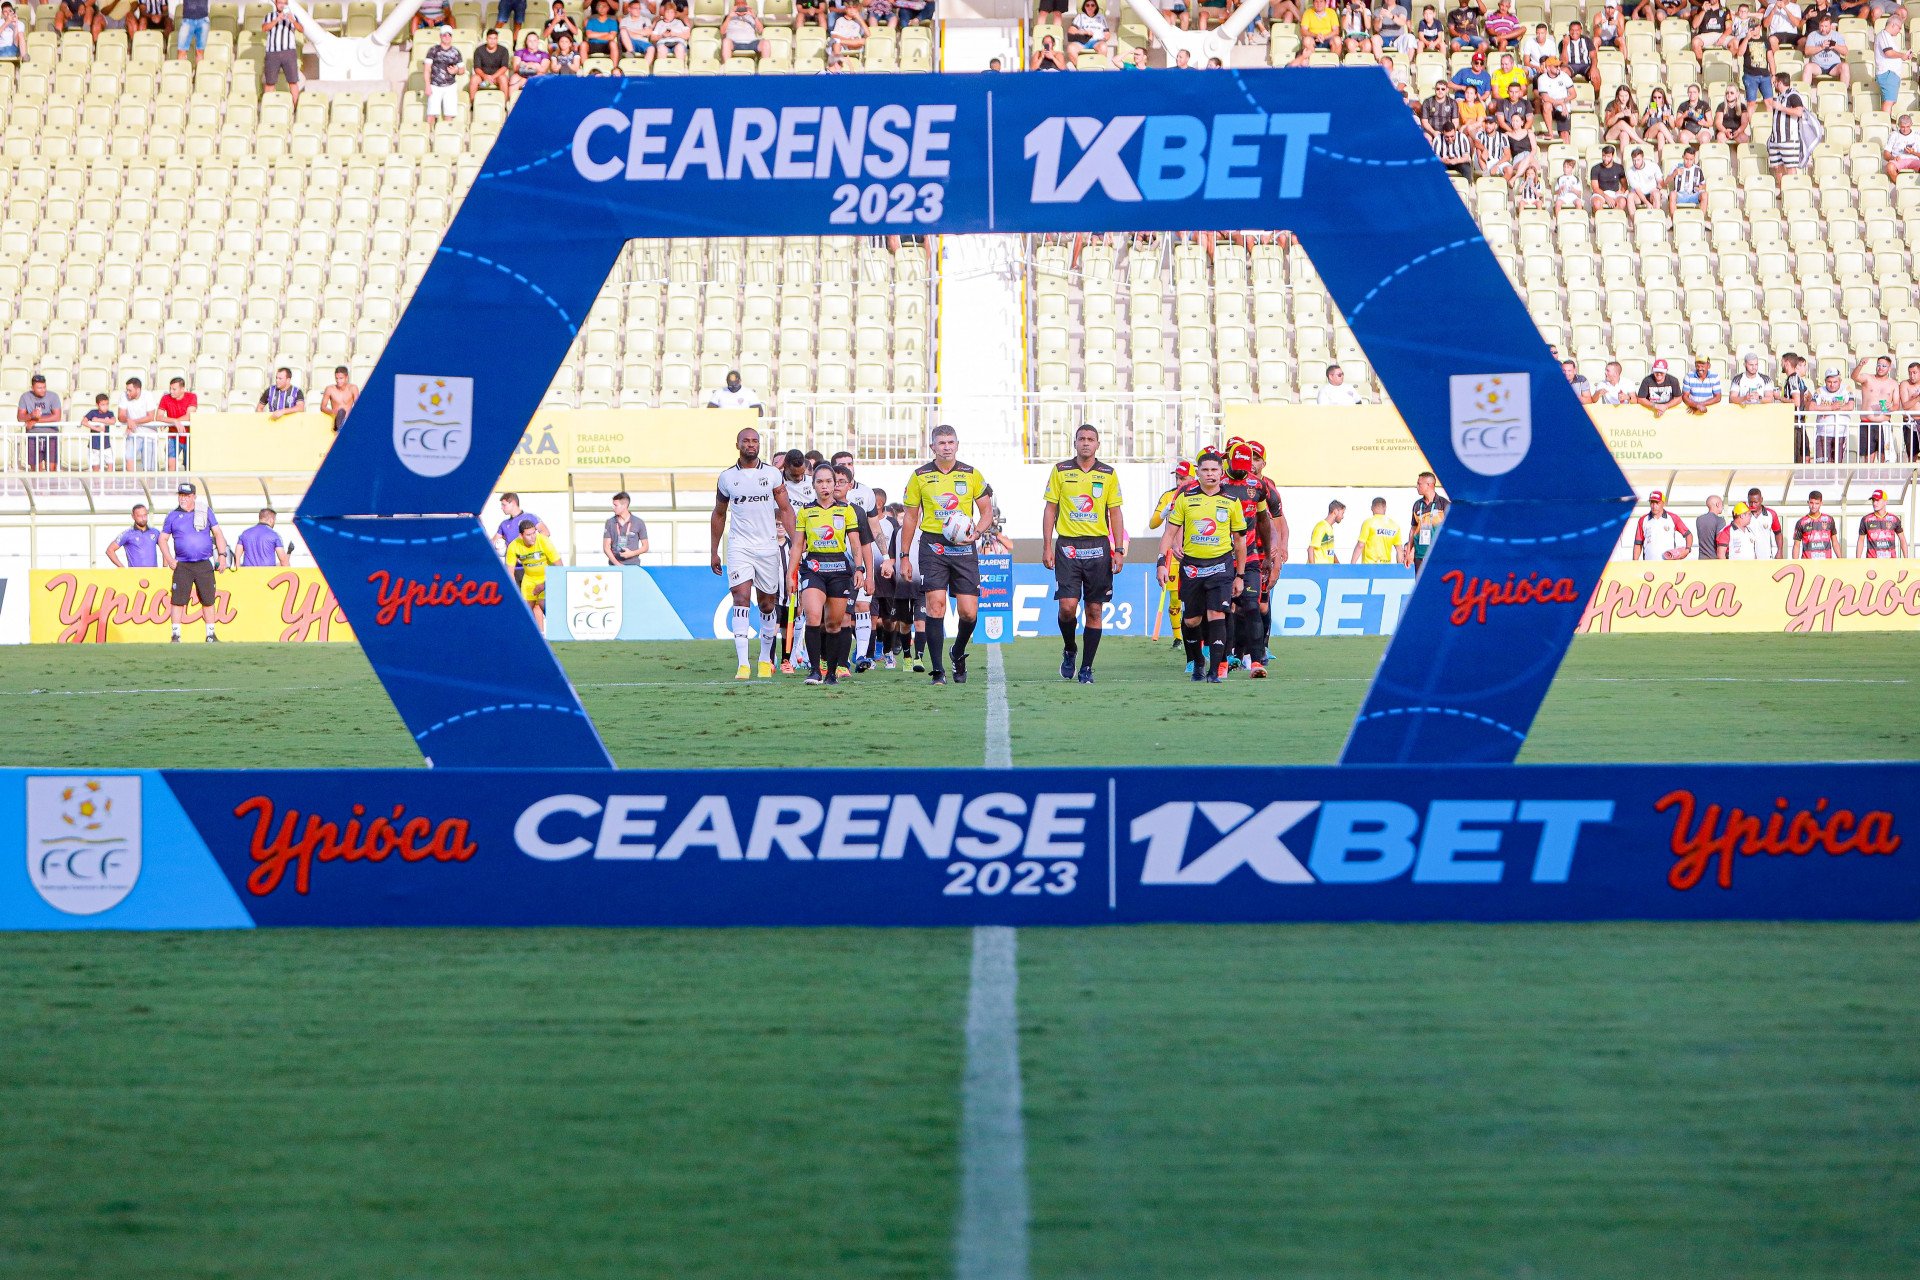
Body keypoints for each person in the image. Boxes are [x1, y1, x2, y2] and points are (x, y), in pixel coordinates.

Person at [901, 424, 994, 687]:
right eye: (941, 443)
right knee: (936, 606)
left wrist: (976, 531)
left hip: (964, 547)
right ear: (932, 447)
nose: (946, 447)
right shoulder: (919, 476)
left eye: (950, 442)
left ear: (957, 445)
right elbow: (910, 517)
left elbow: (986, 512)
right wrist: (904, 555)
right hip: (933, 546)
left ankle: (957, 652)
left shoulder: (971, 474)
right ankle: (938, 671)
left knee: (968, 613)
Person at [1040, 425, 1126, 684]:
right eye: (1081, 439)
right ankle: (1070, 649)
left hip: (1098, 548)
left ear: (1098, 444)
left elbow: (1115, 513)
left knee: (1094, 610)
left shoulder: (1108, 474)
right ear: (1074, 443)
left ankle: (1086, 668)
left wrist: (1119, 549)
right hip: (1067, 547)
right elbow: (1050, 509)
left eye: (1090, 439)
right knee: (1067, 608)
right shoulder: (1061, 471)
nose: (1086, 443)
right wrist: (1046, 545)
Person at [711, 426, 795, 680]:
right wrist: (714, 551)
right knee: (740, 598)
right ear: (738, 445)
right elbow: (719, 513)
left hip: (768, 547)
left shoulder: (771, 475)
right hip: (739, 546)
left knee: (768, 604)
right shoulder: (727, 478)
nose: (751, 444)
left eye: (755, 441)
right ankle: (742, 664)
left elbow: (786, 509)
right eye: (746, 441)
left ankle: (763, 659)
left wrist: (796, 543)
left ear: (759, 445)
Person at [1158, 450, 1248, 683]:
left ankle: (1214, 671)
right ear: (1197, 473)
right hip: (1192, 568)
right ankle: (1198, 660)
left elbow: (1239, 541)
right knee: (1192, 621)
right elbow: (1170, 532)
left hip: (1221, 567)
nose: (1210, 474)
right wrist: (1161, 562)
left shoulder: (1231, 502)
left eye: (1214, 470)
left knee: (1216, 613)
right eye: (1205, 470)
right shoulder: (1186, 499)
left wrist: (1240, 575)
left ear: (1221, 473)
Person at [793, 461, 866, 686]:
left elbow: (855, 543)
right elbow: (797, 546)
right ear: (813, 485)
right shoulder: (805, 511)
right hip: (813, 567)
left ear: (835, 484)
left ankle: (831, 672)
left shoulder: (846, 510)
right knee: (814, 617)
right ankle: (815, 671)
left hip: (838, 569)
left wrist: (860, 568)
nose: (824, 486)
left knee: (834, 624)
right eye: (819, 481)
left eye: (828, 481)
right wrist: (790, 574)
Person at [158, 482, 229, 642]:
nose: (183, 499)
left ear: (194, 497)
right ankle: (176, 635)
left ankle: (210, 634)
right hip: (183, 564)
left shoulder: (204, 511)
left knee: (208, 598)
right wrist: (169, 559)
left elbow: (218, 533)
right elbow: (162, 539)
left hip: (204, 562)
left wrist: (222, 555)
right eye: (181, 495)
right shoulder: (172, 515)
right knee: (178, 600)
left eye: (187, 496)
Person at [505, 518, 563, 629]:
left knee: (542, 603)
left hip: (547, 578)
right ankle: (534, 637)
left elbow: (560, 567)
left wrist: (543, 585)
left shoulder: (543, 541)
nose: (533, 537)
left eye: (534, 533)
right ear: (521, 536)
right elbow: (510, 573)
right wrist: (514, 591)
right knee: (525, 612)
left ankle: (558, 632)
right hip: (529, 580)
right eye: (528, 535)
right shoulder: (513, 546)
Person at [1854, 355, 1898, 463]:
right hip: (1867, 423)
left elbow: (1896, 405)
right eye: (1879, 365)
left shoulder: (1893, 384)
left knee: (1885, 456)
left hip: (1884, 424)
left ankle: (1883, 480)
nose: (1880, 368)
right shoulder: (1868, 378)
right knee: (1868, 457)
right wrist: (1860, 365)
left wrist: (1891, 407)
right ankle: (1869, 479)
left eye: (1884, 366)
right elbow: (1854, 377)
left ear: (1889, 368)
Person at [17, 373, 61, 472]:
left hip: (51, 435)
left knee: (52, 468)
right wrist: (31, 415)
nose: (43, 390)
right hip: (33, 436)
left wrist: (35, 420)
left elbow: (57, 417)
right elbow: (20, 417)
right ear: (32, 388)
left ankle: (51, 487)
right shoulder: (25, 397)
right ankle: (36, 488)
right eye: (39, 388)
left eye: (44, 387)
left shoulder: (53, 396)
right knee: (35, 469)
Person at [1406, 469, 1448, 572]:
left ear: (1429, 485)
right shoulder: (1417, 505)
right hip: (1419, 555)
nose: (1417, 487)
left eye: (1419, 484)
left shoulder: (1443, 504)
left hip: (1438, 556)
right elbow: (1413, 529)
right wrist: (1408, 553)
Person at [261, 0, 303, 103]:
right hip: (272, 53)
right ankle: (267, 108)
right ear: (275, 3)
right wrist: (277, 19)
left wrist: (292, 20)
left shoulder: (292, 16)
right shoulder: (269, 16)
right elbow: (264, 28)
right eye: (280, 2)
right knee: (270, 83)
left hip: (288, 52)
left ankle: (296, 109)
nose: (282, 5)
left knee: (293, 82)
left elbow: (301, 29)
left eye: (284, 3)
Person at [118, 376, 162, 472]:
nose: (127, 392)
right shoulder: (124, 395)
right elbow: (121, 415)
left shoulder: (148, 395)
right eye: (127, 390)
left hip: (149, 435)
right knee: (128, 458)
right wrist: (128, 420)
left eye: (130, 390)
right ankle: (131, 485)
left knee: (149, 467)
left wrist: (132, 421)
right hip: (133, 433)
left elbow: (150, 416)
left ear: (138, 389)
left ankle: (148, 486)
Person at [1633, 490, 1694, 559]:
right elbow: (1638, 544)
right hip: (1649, 564)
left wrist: (1687, 550)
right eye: (1652, 502)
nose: (1654, 506)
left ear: (1663, 503)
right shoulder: (1643, 520)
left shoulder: (1673, 517)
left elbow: (1688, 535)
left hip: (1668, 564)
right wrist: (1635, 563)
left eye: (1657, 503)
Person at [106, 504, 168, 569]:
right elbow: (110, 550)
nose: (143, 518)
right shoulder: (127, 534)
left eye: (145, 515)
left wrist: (165, 568)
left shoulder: (155, 532)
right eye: (139, 516)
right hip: (135, 575)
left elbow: (165, 549)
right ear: (133, 516)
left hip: (153, 574)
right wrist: (122, 568)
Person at [424, 28, 464, 122]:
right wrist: (427, 85)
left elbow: (462, 70)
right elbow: (427, 69)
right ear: (440, 36)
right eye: (444, 35)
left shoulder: (456, 52)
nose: (446, 37)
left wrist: (456, 71)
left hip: (450, 86)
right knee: (431, 113)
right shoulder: (433, 50)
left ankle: (447, 134)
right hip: (435, 85)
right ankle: (429, 134)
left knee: (449, 114)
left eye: (449, 35)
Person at [157, 376, 196, 469]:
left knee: (190, 467)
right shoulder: (165, 398)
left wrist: (176, 420)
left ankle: (188, 483)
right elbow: (158, 417)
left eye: (174, 389)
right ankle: (172, 484)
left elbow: (189, 416)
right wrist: (174, 421)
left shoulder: (192, 396)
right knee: (171, 466)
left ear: (182, 389)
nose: (171, 391)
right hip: (173, 436)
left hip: (189, 436)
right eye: (170, 389)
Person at [1856, 489, 1908, 558]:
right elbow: (1860, 540)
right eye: (1873, 500)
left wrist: (1906, 559)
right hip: (1872, 563)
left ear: (1885, 502)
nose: (1874, 503)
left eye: (1877, 500)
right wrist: (1858, 560)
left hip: (1891, 562)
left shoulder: (1894, 519)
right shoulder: (1866, 519)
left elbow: (1902, 539)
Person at [603, 491, 649, 565]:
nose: (613, 508)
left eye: (615, 505)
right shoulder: (610, 522)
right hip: (614, 566)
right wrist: (618, 565)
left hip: (633, 566)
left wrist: (631, 553)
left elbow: (645, 547)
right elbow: (606, 548)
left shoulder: (639, 522)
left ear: (624, 506)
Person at [1792, 490, 1841, 559]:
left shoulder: (1829, 520)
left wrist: (1840, 559)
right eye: (1811, 503)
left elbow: (1835, 542)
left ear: (1821, 503)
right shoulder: (1801, 522)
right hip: (1807, 563)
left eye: (1817, 503)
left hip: (1826, 563)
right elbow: (1796, 545)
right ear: (1808, 503)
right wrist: (1795, 564)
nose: (1814, 506)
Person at [1352, 497, 1401, 564]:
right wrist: (1400, 568)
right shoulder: (1394, 525)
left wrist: (1352, 564)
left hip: (1369, 566)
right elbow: (1399, 550)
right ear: (1385, 507)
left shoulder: (1368, 522)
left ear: (1372, 508)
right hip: (1386, 567)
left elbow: (1360, 545)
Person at [1743, 485, 1785, 559]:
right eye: (1750, 502)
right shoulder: (1743, 514)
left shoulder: (1771, 514)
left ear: (1761, 499)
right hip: (1747, 558)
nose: (1753, 505)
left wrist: (1780, 551)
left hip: (1765, 557)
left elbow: (1778, 533)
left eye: (1755, 502)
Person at [83, 394, 117, 471]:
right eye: (103, 405)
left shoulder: (109, 413)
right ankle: (97, 482)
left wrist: (98, 420)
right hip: (94, 444)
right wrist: (96, 428)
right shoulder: (92, 412)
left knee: (110, 464)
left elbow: (113, 421)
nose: (105, 406)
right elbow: (84, 422)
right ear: (97, 405)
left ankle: (109, 481)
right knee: (95, 467)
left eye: (107, 404)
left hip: (106, 444)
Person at [318, 366, 358, 431]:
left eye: (341, 378)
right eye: (336, 378)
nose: (338, 381)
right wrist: (332, 411)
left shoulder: (353, 388)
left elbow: (358, 406)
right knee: (340, 416)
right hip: (336, 419)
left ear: (346, 378)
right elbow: (322, 407)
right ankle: (339, 426)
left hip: (348, 420)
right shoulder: (330, 389)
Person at [1695, 494, 1727, 558]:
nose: (1723, 507)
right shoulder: (1720, 520)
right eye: (1722, 504)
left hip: (1702, 559)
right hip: (1714, 560)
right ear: (1717, 504)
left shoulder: (1699, 519)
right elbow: (1721, 542)